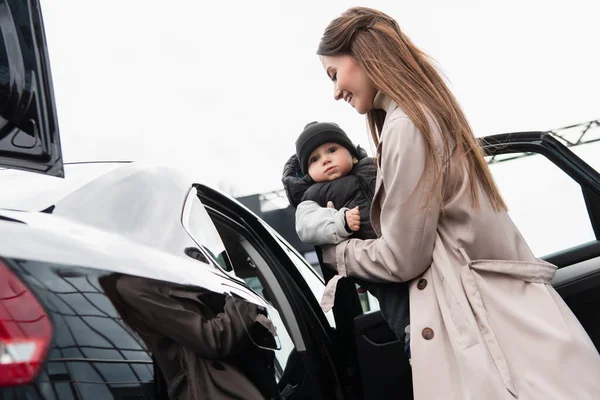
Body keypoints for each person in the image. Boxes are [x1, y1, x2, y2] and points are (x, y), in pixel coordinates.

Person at [312, 6, 600, 400]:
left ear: (361, 53)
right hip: (505, 322)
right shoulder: (428, 113)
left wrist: (338, 253)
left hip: (480, 336)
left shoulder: (403, 125)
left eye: (334, 74)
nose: (335, 91)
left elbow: (403, 257)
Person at [281, 121, 410, 341]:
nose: (326, 159)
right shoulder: (313, 195)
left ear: (351, 155)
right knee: (400, 309)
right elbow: (307, 226)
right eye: (315, 159)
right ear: (308, 173)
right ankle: (412, 342)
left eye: (332, 150)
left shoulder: (375, 167)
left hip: (407, 243)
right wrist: (339, 220)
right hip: (378, 264)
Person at [99, 274, 280, 400]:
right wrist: (240, 294)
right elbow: (212, 339)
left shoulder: (168, 271)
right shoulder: (135, 286)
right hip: (211, 388)